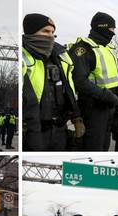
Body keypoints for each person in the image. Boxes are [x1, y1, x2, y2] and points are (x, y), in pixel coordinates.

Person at [22, 13, 84, 151]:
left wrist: (76, 116)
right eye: (45, 31)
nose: (50, 35)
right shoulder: (22, 55)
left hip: (59, 127)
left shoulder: (61, 55)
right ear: (31, 33)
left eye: (52, 32)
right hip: (35, 129)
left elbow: (69, 88)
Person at [69, 12, 118, 151]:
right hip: (93, 107)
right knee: (93, 146)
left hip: (110, 105)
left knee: (104, 146)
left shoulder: (109, 49)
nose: (113, 33)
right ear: (102, 27)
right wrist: (106, 96)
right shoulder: (83, 48)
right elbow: (79, 81)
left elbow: (116, 78)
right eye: (111, 29)